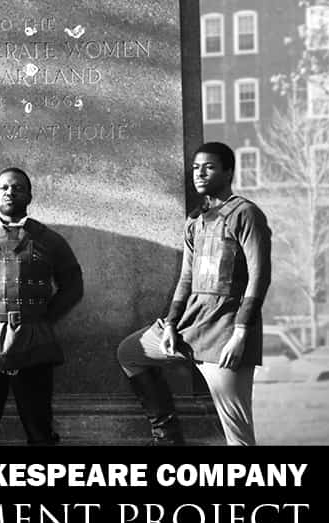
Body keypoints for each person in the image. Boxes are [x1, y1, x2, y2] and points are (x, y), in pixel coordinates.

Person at [117, 142, 272, 447]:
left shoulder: (246, 214)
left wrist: (240, 334)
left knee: (237, 434)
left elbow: (259, 276)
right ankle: (168, 437)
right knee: (129, 352)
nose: (199, 173)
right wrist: (172, 324)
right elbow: (186, 278)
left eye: (209, 167)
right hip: (188, 326)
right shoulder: (195, 220)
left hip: (225, 334)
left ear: (228, 171)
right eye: (195, 168)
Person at [0, 167, 84, 446]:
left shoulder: (49, 240)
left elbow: (73, 285)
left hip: (35, 343)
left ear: (29, 195)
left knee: (39, 430)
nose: (10, 192)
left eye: (18, 187)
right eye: (4, 188)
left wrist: (43, 319)